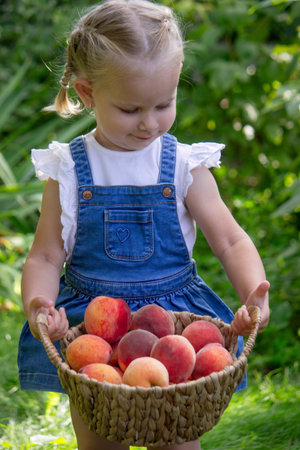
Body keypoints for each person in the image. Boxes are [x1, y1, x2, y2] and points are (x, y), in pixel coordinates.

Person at [18, 0, 270, 449]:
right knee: (100, 439)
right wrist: (39, 304)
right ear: (88, 93)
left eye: (164, 103)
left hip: (173, 330)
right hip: (92, 331)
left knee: (176, 438)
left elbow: (229, 239)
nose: (150, 123)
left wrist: (253, 291)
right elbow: (45, 254)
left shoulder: (183, 166)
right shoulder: (70, 171)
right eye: (131, 109)